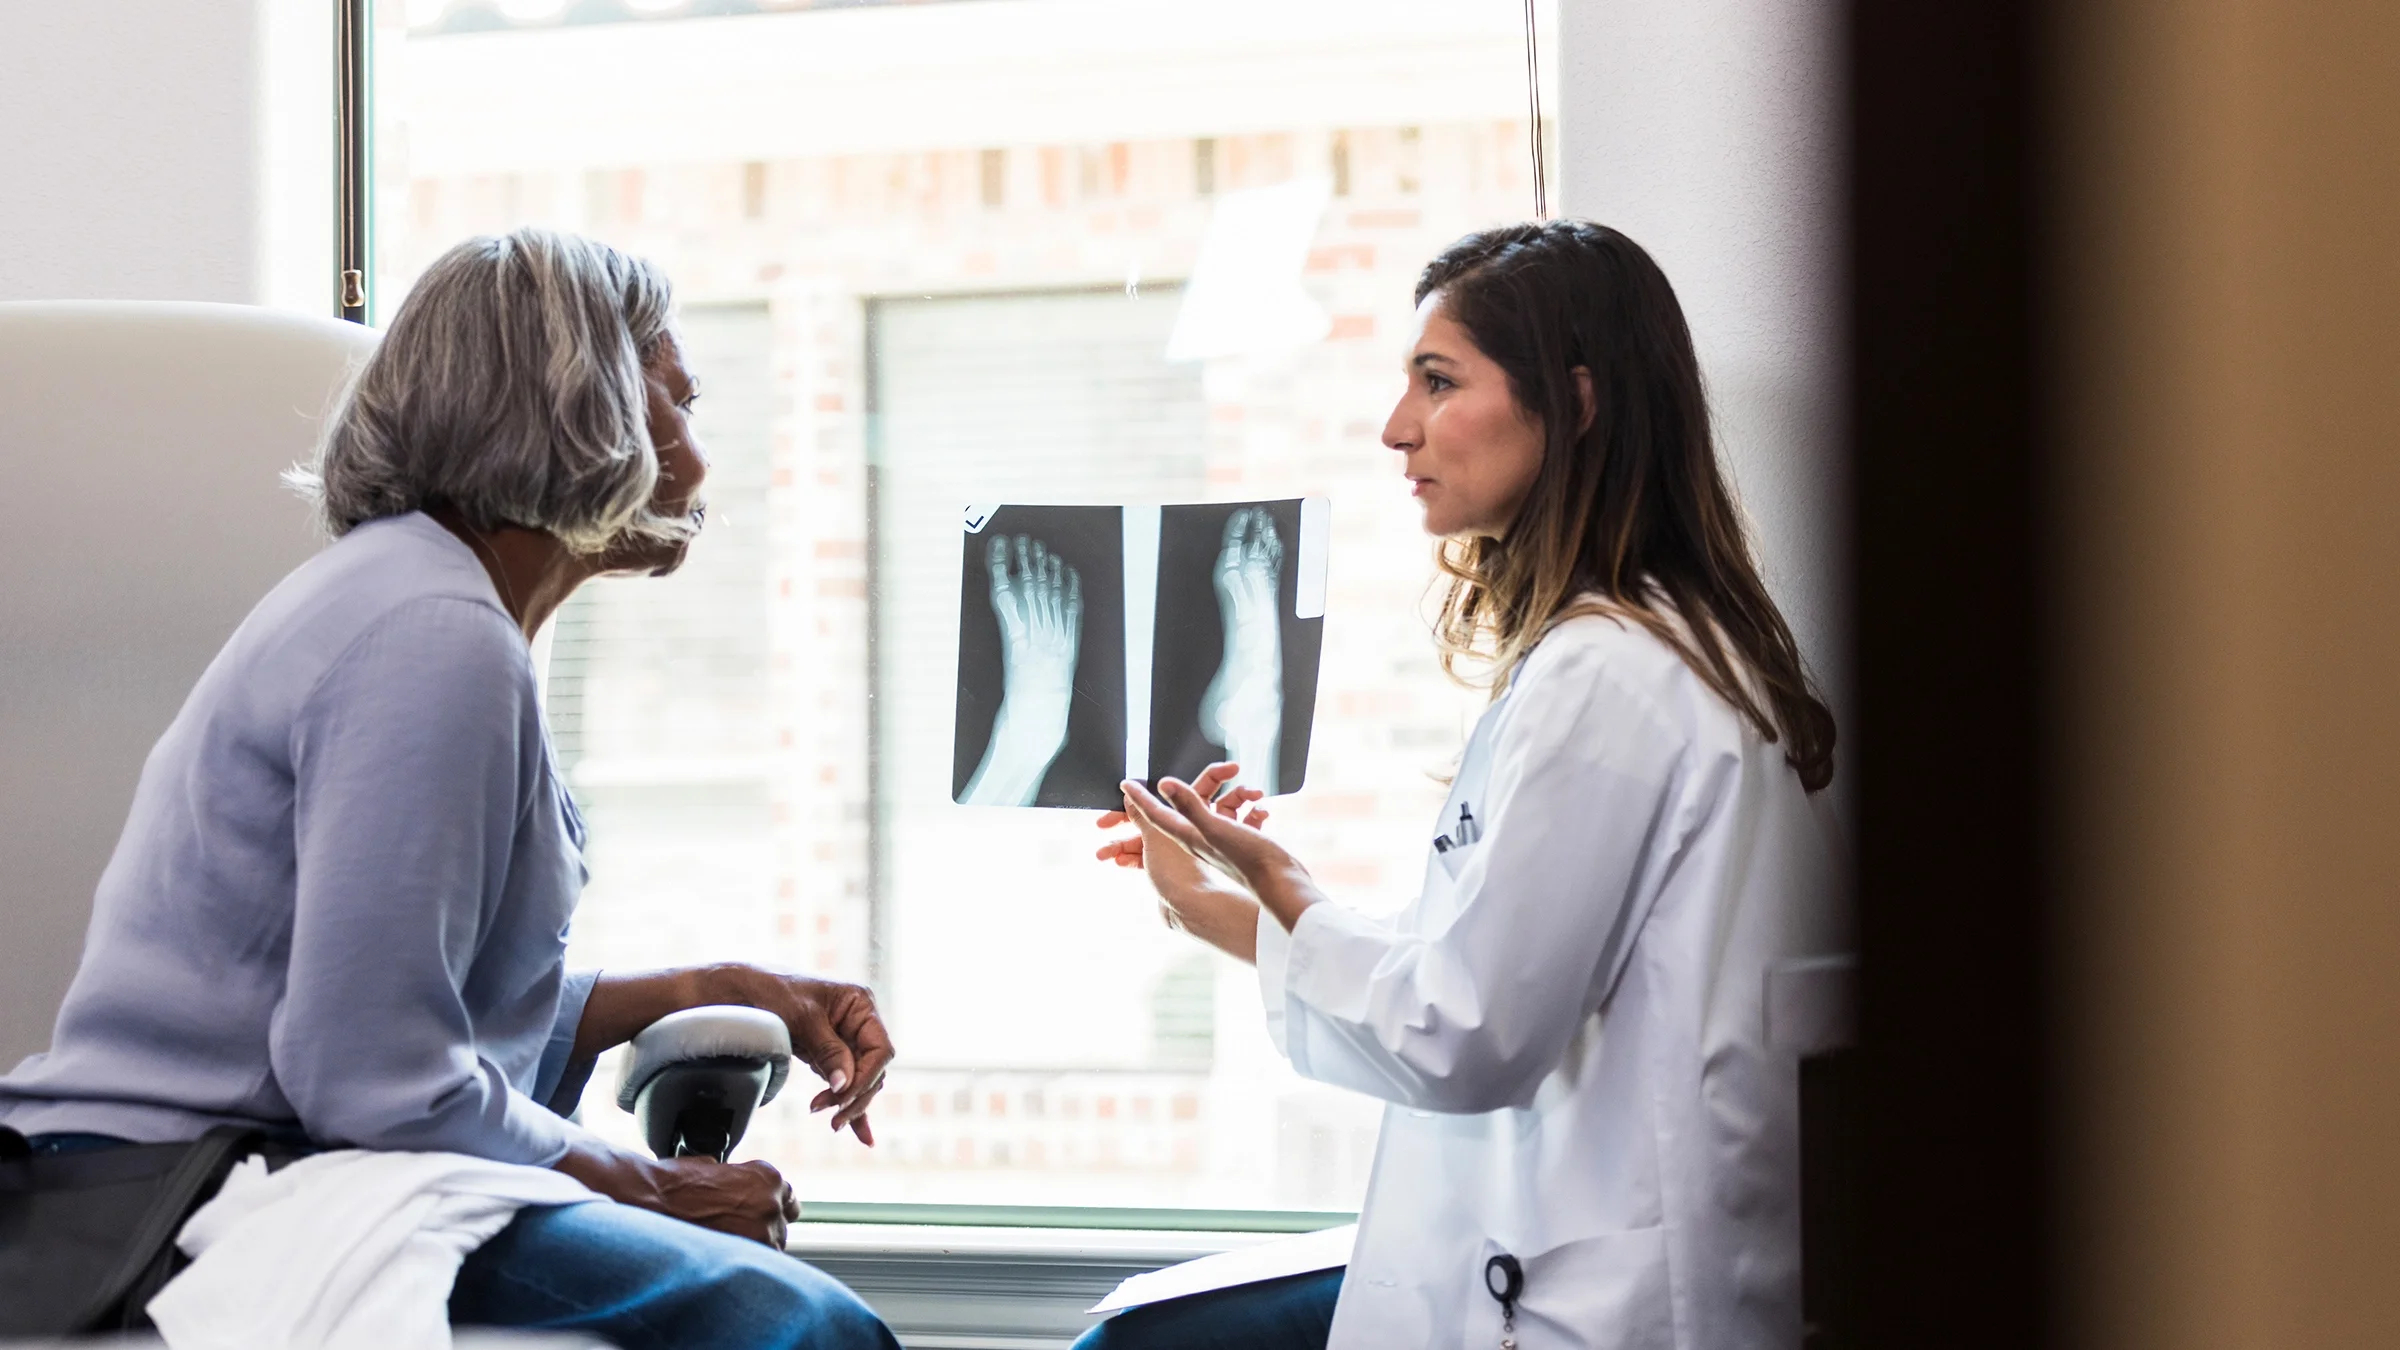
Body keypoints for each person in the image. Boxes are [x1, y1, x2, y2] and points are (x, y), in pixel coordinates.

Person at [0, 228, 899, 1350]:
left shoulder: (422, 602)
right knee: (796, 1328)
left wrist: (715, 982)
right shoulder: (435, 634)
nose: (702, 461)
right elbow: (371, 1078)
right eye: (679, 402)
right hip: (199, 1193)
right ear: (586, 409)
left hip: (269, 1164)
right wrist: (653, 1189)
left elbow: (412, 1008)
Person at [1082, 221, 1847, 1349]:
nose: (1399, 429)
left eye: (1438, 383)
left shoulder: (1610, 675)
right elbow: (1495, 969)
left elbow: (1470, 1031)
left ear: (1575, 404)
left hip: (1587, 1308)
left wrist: (1286, 885)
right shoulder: (1657, 651)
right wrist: (1239, 917)